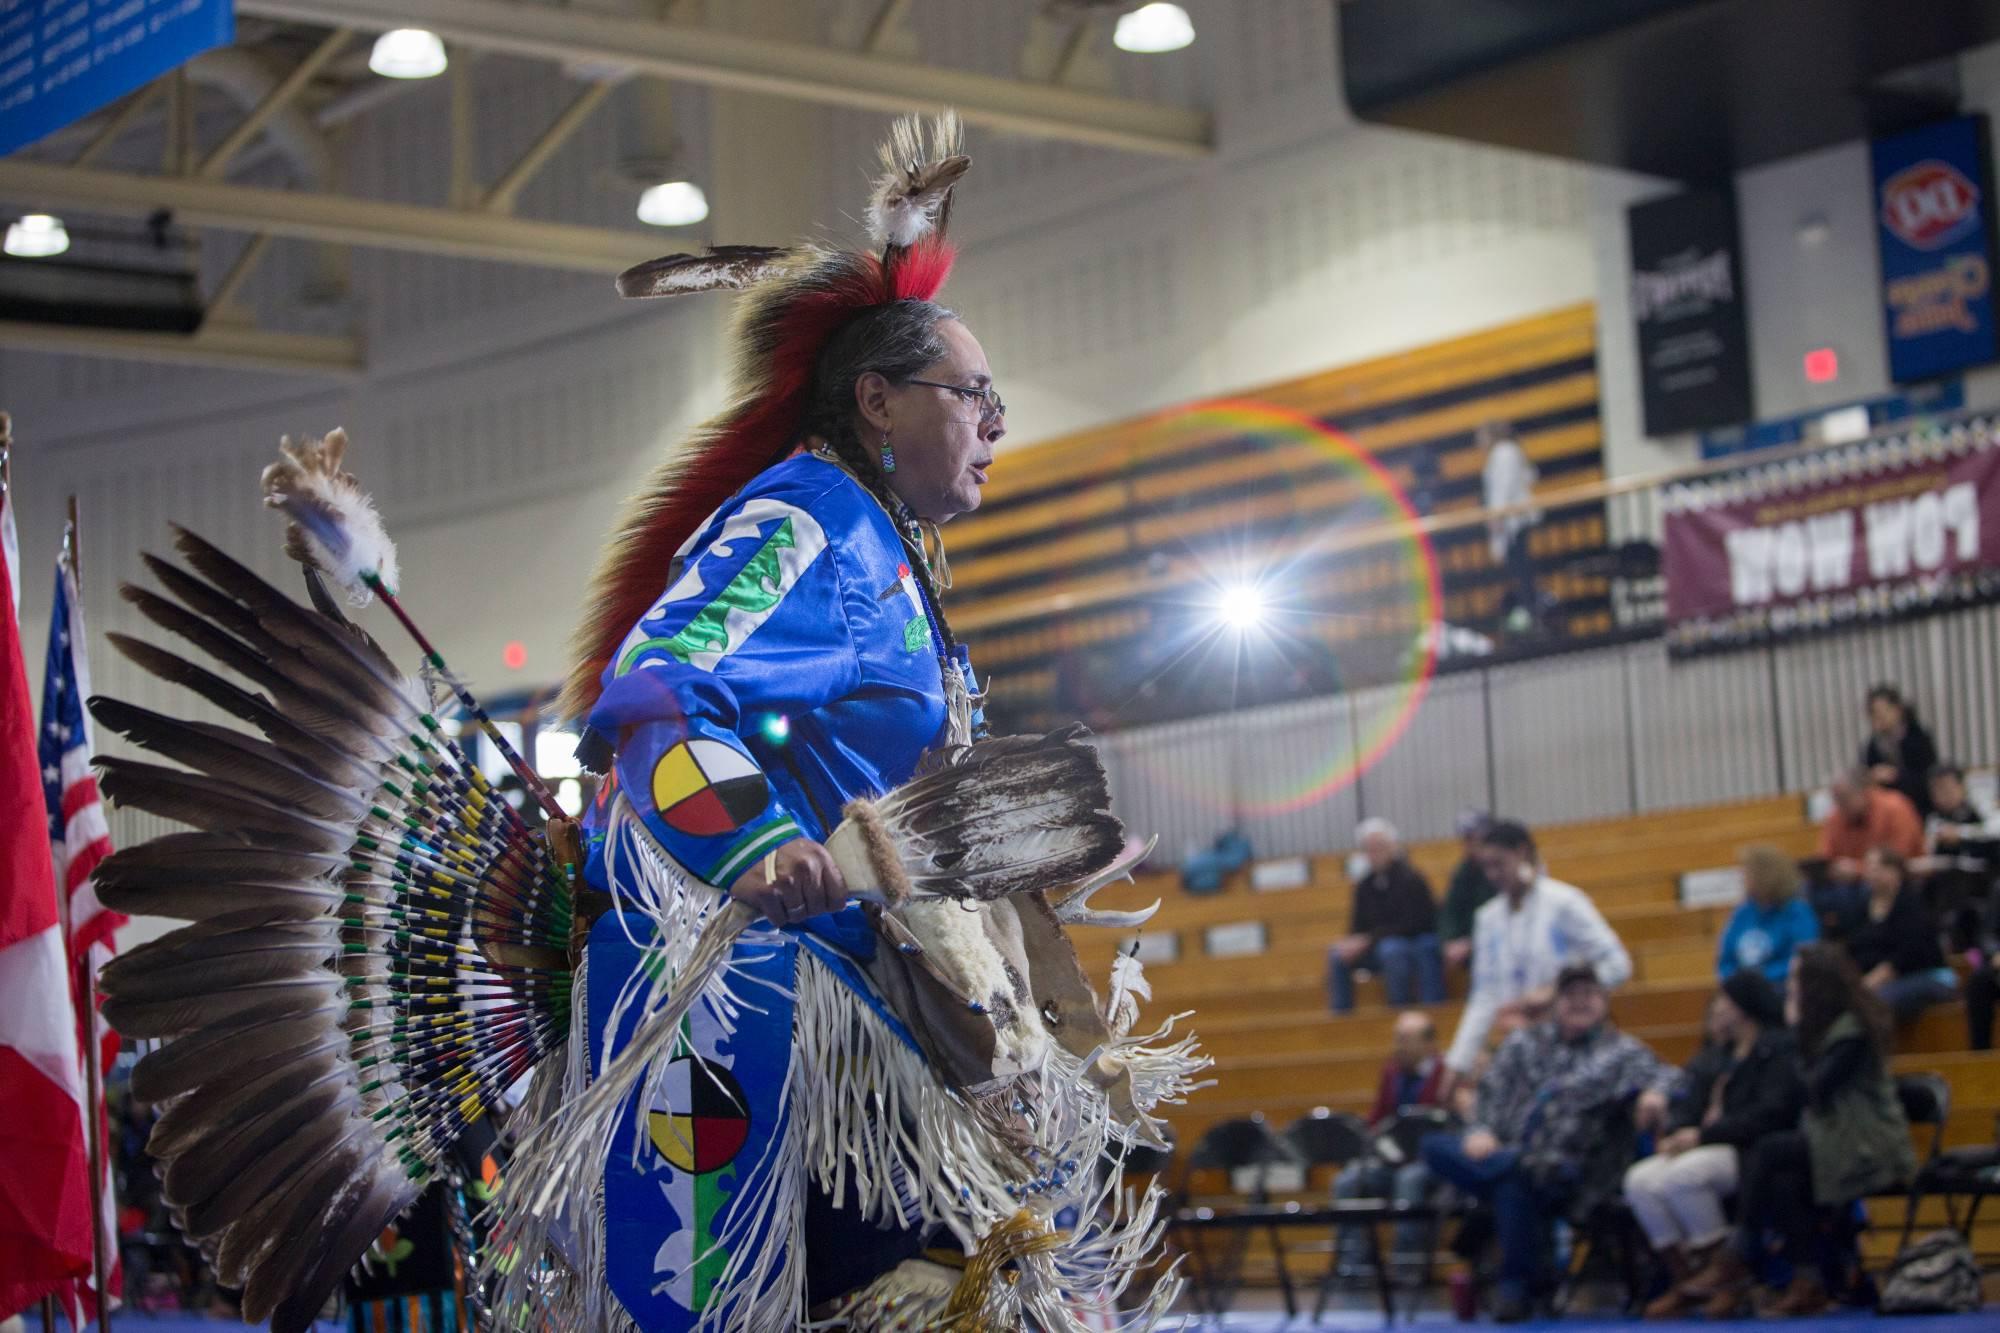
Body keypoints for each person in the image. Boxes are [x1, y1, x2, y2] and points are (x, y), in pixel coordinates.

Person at [539, 113, 1198, 1329]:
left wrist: (1026, 854)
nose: (997, 424)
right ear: (880, 399)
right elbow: (656, 688)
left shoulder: (886, 555)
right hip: (779, 1022)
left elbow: (880, 774)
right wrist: (751, 843)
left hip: (885, 1013)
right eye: (975, 395)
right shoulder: (801, 523)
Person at [1422, 965, 1679, 1322]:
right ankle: (1519, 1279)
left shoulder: (1623, 1052)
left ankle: (1516, 1284)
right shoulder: (1523, 1044)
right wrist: (1479, 1131)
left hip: (1574, 1169)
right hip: (1502, 1153)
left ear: (1604, 1002)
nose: (1579, 1003)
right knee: (1435, 1145)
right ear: (1556, 1003)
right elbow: (1488, 1094)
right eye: (1570, 995)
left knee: (1514, 1179)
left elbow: (1673, 1077)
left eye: (1588, 995)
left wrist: (1655, 1095)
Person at [1681, 944, 1914, 1318]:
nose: (1788, 986)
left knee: (1770, 1150)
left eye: (1794, 979)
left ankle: (1740, 1252)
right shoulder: (1822, 1030)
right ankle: (1807, 1283)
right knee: (1783, 1177)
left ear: (1816, 984)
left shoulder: (1851, 1029)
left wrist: (1793, 1029)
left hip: (1866, 1145)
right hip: (1832, 1141)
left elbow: (1813, 1089)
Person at [1623, 973, 1803, 1319]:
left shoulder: (1778, 1048)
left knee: (1684, 1175)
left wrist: (1703, 1137)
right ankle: (1687, 1279)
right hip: (1704, 1145)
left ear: (1745, 1006)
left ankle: (1729, 1277)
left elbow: (1772, 1114)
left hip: (1748, 1151)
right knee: (1640, 1180)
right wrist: (1676, 1133)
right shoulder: (1715, 1055)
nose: (1717, 1007)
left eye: (1725, 1000)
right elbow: (1686, 1103)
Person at [1443, 820, 1633, 1081]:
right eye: (1486, 867)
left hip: (1571, 1041)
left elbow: (1617, 965)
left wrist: (1556, 991)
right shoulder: (1488, 918)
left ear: (1522, 852)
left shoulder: (1564, 902)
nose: (1492, 874)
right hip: (1518, 1047)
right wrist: (1457, 1063)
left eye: (1499, 863)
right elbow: (1484, 997)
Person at [1333, 1012, 1448, 1270]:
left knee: (1409, 1180)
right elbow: (1377, 1118)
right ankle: (1355, 1265)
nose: (1398, 1045)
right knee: (1348, 1181)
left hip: (1432, 1161)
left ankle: (1407, 1267)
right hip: (1392, 1159)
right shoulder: (1392, 1073)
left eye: (1406, 1039)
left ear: (1429, 1044)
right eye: (1397, 1038)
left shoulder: (1446, 1072)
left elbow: (1447, 1123)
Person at [1327, 818, 1445, 1011]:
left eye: (1379, 847)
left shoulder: (1411, 878)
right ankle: (1341, 1019)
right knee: (1336, 954)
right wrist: (1352, 943)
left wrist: (1369, 939)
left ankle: (1398, 1010)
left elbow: (1415, 923)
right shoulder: (1364, 885)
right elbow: (1357, 926)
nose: (1374, 854)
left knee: (1392, 950)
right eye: (1368, 848)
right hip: (1375, 946)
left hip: (1408, 944)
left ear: (1392, 847)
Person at [1846, 847, 1957, 1025]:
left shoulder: (1912, 903)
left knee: (1874, 1002)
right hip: (1877, 981)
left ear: (1894, 871)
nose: (1870, 874)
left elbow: (1909, 953)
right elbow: (1855, 948)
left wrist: (1870, 983)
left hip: (1924, 975)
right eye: (1868, 868)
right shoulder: (1861, 908)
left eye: (1876, 868)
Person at [1813, 766, 1923, 936]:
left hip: (1892, 882)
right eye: (1835, 800)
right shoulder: (1836, 816)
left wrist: (1858, 870)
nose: (1839, 806)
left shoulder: (1895, 808)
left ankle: (1859, 946)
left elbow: (1898, 861)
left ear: (1864, 792)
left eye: (1843, 799)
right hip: (1848, 884)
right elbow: (1825, 856)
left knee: (1851, 898)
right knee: (1809, 893)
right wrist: (1829, 869)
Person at [1716, 844, 1818, 985]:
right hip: (1743, 991)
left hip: (1781, 989)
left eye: (1746, 872)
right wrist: (1736, 983)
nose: (1741, 878)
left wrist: (1759, 980)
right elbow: (1725, 961)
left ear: (1765, 874)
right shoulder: (1743, 912)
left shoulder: (1797, 912)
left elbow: (1803, 960)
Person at [1479, 420, 1542, 635]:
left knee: (1521, 570)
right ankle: (1529, 615)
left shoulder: (1504, 453)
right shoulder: (1508, 452)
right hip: (1514, 519)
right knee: (1520, 569)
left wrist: (1497, 516)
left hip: (1514, 520)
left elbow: (1503, 488)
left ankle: (1531, 617)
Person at [1861, 684, 1940, 819]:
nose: (1879, 718)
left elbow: (1929, 777)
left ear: (1898, 709)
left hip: (1921, 807)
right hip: (1888, 813)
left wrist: (1896, 775)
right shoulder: (1873, 745)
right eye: (1874, 713)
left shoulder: (1918, 737)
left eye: (1883, 711)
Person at [1439, 809, 1497, 976]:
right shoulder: (1463, 871)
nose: (1469, 845)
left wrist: (1471, 942)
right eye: (1466, 840)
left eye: (1473, 838)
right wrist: (1449, 941)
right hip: (1465, 943)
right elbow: (1450, 911)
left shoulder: (1499, 869)